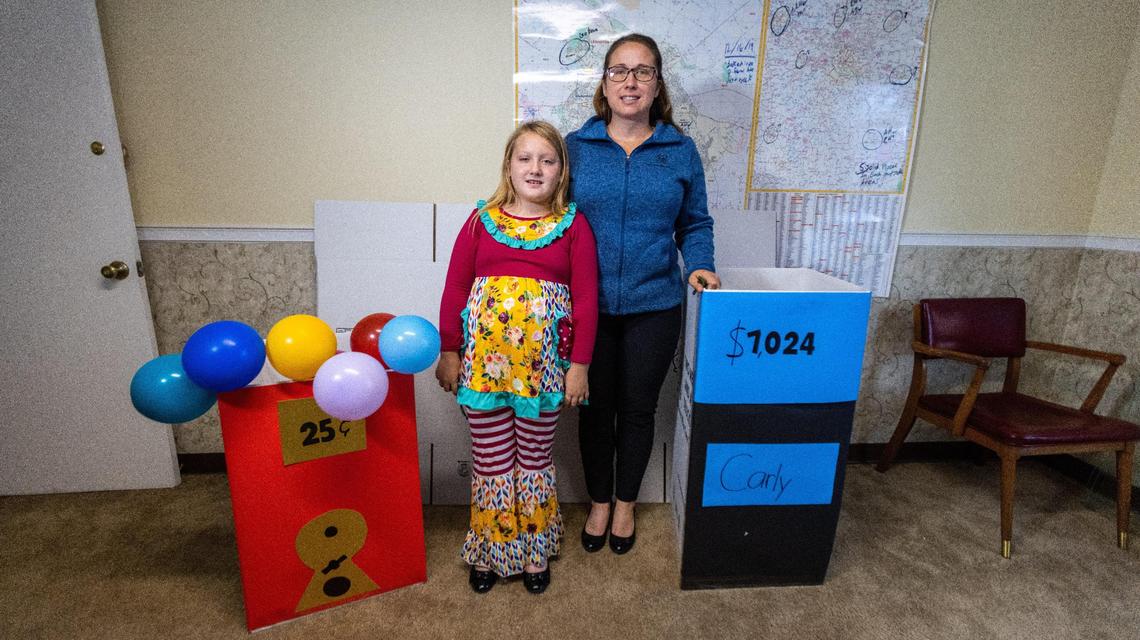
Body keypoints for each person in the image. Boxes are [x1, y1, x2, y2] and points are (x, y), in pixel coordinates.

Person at [565, 33, 718, 555]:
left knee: (637, 408)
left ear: (657, 85)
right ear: (604, 84)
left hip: (656, 304)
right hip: (586, 306)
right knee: (593, 406)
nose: (630, 81)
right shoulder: (574, 148)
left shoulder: (680, 149)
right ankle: (600, 501)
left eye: (643, 71)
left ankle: (626, 502)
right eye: (619, 71)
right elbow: (548, 218)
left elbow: (695, 223)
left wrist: (700, 265)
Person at [435, 120, 598, 594]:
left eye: (548, 160)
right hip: (482, 371)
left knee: (532, 461)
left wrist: (579, 366)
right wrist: (449, 350)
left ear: (561, 171)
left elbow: (587, 301)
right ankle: (490, 548)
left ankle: (532, 550)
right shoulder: (479, 221)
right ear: (508, 165)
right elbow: (454, 289)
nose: (535, 168)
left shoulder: (573, 226)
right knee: (490, 462)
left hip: (545, 375)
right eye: (525, 158)